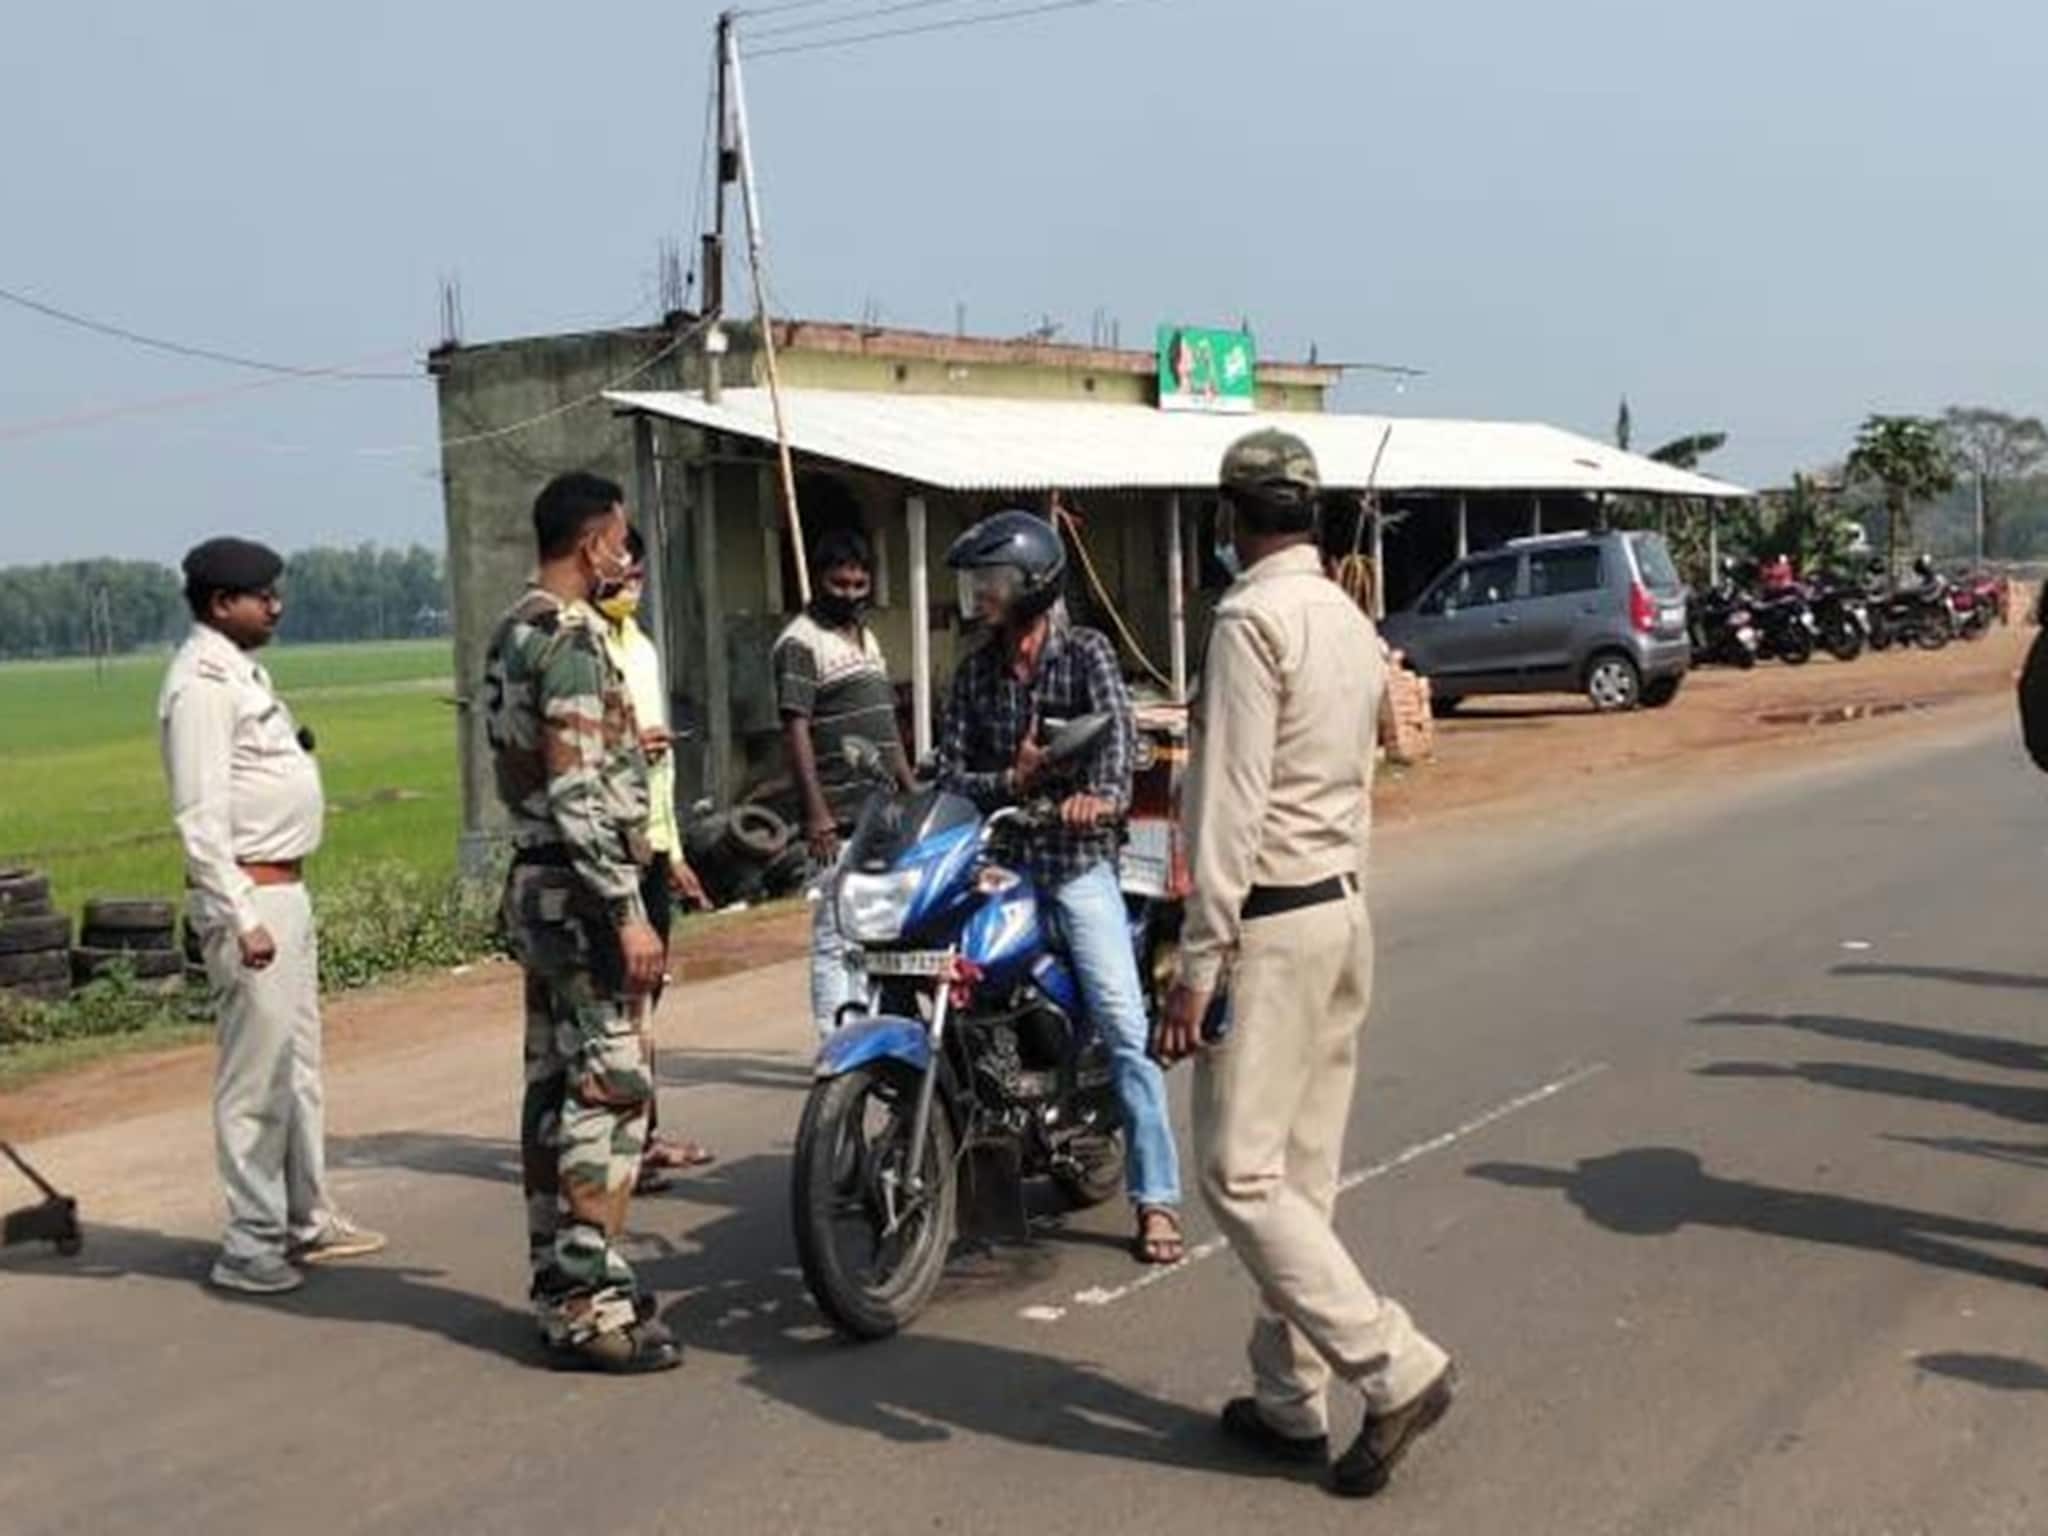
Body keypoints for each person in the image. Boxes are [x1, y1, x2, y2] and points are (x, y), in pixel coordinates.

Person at [1157, 430, 1455, 1499]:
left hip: (1271, 926)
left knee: (1238, 1175)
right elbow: (1361, 781)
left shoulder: (1247, 620)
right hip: (1338, 910)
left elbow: (1226, 808)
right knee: (1302, 1175)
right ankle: (1287, 1397)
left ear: (1231, 521)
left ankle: (1390, 1363)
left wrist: (1198, 962)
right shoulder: (1344, 619)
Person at [939, 509, 1185, 1265]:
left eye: (994, 581)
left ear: (1033, 587)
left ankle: (1157, 1200)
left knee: (1122, 1023)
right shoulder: (975, 672)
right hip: (1001, 864)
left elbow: (1115, 744)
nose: (980, 594)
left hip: (1076, 865)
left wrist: (1101, 799)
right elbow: (949, 773)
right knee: (952, 995)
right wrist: (1006, 781)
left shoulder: (1086, 654)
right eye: (976, 581)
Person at [482, 471, 677, 1374]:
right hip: (583, 893)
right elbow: (575, 790)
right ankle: (588, 1302)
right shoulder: (567, 639)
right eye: (621, 541)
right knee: (611, 1092)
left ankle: (562, 1279)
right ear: (596, 542)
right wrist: (628, 910)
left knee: (555, 1089)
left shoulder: (511, 628)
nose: (624, 556)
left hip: (538, 887)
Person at [159, 537, 386, 1296]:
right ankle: (249, 1244)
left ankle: (306, 1216)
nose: (276, 606)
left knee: (298, 1068)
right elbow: (199, 816)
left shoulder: (242, 673)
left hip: (284, 890)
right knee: (255, 1079)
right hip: (250, 899)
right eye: (264, 596)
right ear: (223, 604)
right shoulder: (200, 685)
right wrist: (239, 915)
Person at [595, 526, 714, 1191]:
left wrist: (671, 852)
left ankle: (642, 1133)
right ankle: (616, 1146)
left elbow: (657, 769)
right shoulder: (580, 641)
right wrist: (627, 745)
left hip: (650, 843)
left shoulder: (637, 643)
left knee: (645, 1005)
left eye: (638, 564)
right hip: (609, 849)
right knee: (620, 1007)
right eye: (619, 560)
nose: (631, 575)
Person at [771, 526, 914, 1037]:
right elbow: (796, 729)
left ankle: (871, 1036)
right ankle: (837, 1043)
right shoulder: (799, 642)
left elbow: (886, 724)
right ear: (818, 582)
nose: (850, 595)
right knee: (837, 936)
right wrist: (817, 814)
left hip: (883, 810)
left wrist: (910, 789)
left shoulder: (867, 637)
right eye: (839, 584)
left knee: (878, 935)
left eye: (859, 585)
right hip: (838, 815)